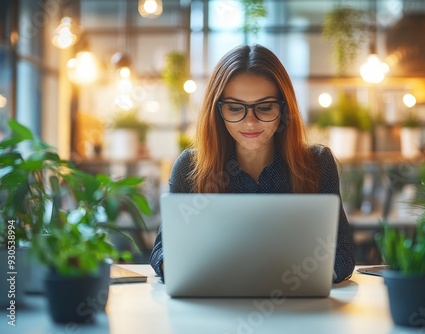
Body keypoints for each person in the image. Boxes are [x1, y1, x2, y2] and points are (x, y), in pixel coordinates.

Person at [150, 44, 355, 283]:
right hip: (214, 305)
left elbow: (343, 255)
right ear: (217, 111)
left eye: (265, 107)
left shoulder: (318, 164)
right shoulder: (190, 167)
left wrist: (300, 280)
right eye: (235, 108)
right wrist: (178, 266)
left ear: (284, 108)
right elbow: (161, 252)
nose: (250, 122)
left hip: (295, 304)